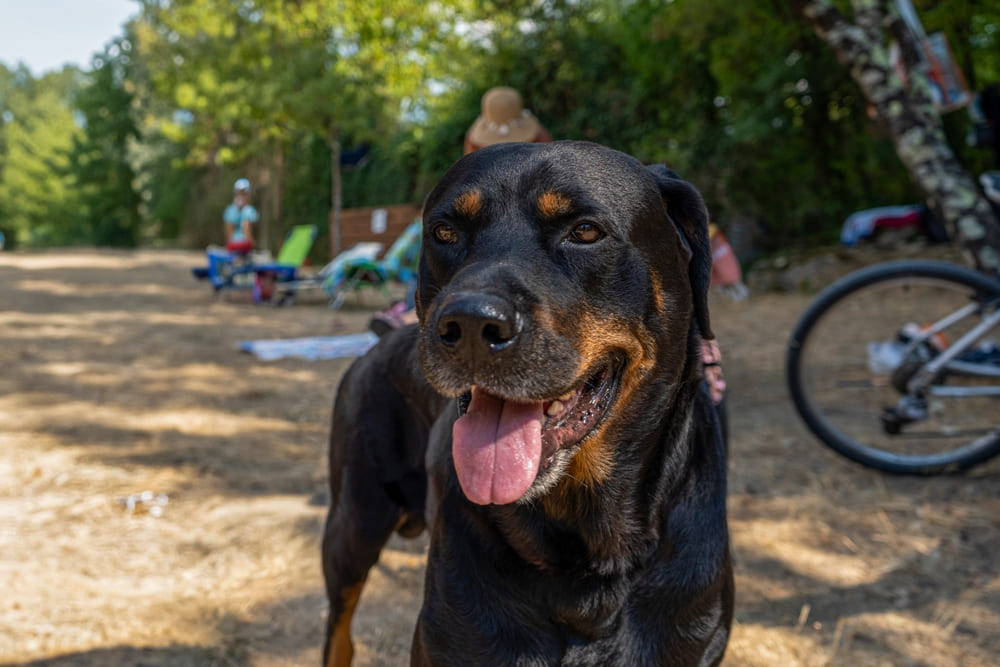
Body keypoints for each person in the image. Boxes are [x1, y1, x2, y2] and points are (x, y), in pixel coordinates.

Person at [369, 86, 552, 335]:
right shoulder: (548, 169)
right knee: (430, 238)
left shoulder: (481, 174)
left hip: (496, 266)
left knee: (433, 242)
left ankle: (412, 313)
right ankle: (411, 310)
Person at [224, 178, 259, 254]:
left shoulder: (230, 210)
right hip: (244, 245)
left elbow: (228, 231)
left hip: (232, 245)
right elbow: (247, 229)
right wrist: (252, 245)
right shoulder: (249, 210)